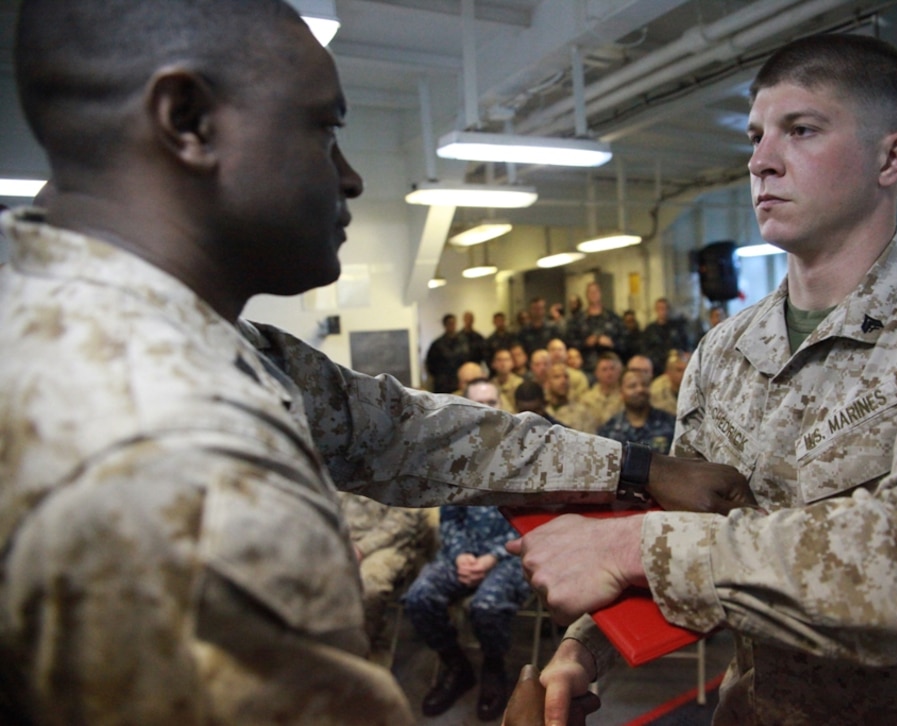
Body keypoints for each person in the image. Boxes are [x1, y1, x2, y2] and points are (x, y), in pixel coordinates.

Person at [0, 2, 756, 723]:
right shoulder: (186, 466)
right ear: (188, 121)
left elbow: (403, 431)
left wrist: (640, 469)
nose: (350, 175)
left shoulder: (98, 318)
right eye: (323, 129)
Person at [508, 33, 897, 725]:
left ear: (892, 157)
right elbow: (686, 532)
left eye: (801, 130)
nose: (760, 161)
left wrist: (628, 547)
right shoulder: (724, 352)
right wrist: (590, 646)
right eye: (756, 136)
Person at [403, 378, 529, 721]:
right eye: (478, 403)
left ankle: (493, 667)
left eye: (492, 402)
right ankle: (456, 665)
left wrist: (493, 557)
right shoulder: (455, 459)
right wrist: (460, 555)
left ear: (503, 405)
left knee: (486, 607)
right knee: (419, 597)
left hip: (510, 556)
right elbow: (451, 518)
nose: (486, 410)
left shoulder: (526, 457)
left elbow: (531, 523)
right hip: (463, 555)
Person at [335, 491, 437, 666]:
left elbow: (403, 522)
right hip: (341, 536)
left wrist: (361, 548)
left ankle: (365, 642)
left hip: (387, 543)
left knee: (369, 587)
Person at [596, 368, 676, 454]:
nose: (640, 390)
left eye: (645, 385)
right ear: (621, 392)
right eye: (632, 386)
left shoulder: (671, 424)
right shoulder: (608, 430)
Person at [565, 281, 622, 372]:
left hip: (611, 367)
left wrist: (612, 343)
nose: (593, 294)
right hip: (586, 368)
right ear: (586, 295)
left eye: (596, 291)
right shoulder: (577, 320)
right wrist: (585, 343)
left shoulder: (613, 318)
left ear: (600, 294)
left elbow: (626, 342)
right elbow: (569, 342)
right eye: (590, 292)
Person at [641, 297, 692, 376]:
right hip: (657, 367)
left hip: (676, 365)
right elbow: (645, 349)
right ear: (656, 310)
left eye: (665, 308)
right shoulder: (650, 329)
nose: (663, 311)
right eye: (660, 308)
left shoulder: (677, 327)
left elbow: (686, 345)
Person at [543, 363, 597, 434]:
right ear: (547, 383)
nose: (563, 381)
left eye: (566, 377)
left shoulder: (582, 413)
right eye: (557, 377)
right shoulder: (542, 412)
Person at [580, 351, 625, 430]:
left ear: (619, 370)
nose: (609, 373)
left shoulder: (626, 397)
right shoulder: (586, 399)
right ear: (597, 373)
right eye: (604, 369)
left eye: (612, 368)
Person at [426, 313, 470, 393]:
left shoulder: (463, 342)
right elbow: (430, 365)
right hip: (443, 384)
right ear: (445, 325)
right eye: (449, 323)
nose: (452, 326)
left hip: (459, 381)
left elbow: (467, 360)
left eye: (454, 323)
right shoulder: (437, 344)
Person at [649, 350, 689, 416]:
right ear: (668, 372)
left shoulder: (691, 384)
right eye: (679, 370)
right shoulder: (657, 389)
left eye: (686, 369)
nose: (684, 373)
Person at [489, 347, 524, 413]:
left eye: (506, 360)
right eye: (499, 360)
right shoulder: (489, 385)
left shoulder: (520, 384)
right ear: (493, 364)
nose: (503, 364)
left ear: (512, 363)